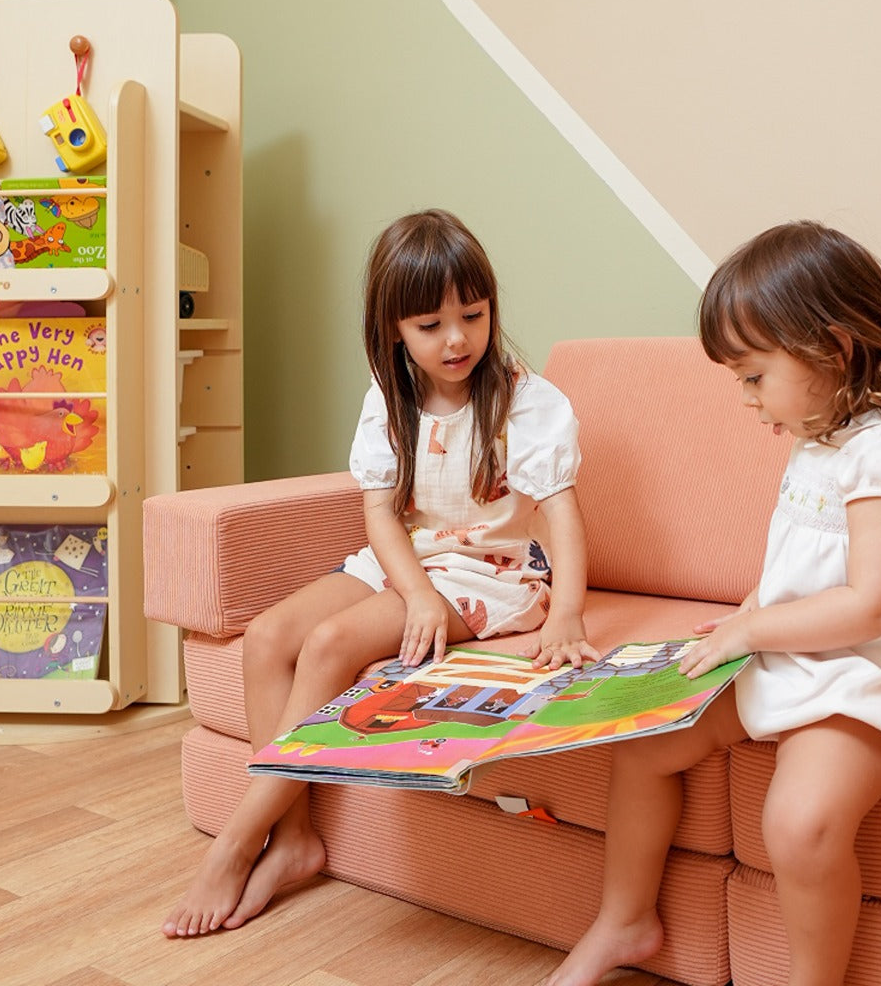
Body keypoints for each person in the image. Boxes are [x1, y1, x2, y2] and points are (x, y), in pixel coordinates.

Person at [546, 220, 881, 986]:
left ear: (832, 352)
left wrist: (754, 627)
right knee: (644, 741)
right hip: (799, 650)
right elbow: (804, 565)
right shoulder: (819, 434)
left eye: (751, 376)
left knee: (798, 825)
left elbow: (873, 606)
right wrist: (746, 614)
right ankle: (625, 919)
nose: (744, 399)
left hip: (872, 672)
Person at [163, 208, 594, 938]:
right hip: (413, 563)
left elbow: (563, 516)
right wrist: (415, 589)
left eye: (473, 314)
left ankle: (238, 839)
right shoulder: (391, 397)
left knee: (331, 643)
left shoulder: (526, 400)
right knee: (268, 636)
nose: (456, 338)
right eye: (430, 324)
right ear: (393, 328)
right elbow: (381, 515)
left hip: (489, 573)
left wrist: (568, 614)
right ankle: (294, 838)